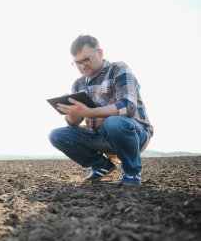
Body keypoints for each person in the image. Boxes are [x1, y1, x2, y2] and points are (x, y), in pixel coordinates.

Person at [49, 35, 153, 185]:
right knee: (57, 135)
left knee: (114, 123)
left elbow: (128, 106)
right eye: (77, 62)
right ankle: (101, 165)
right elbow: (74, 124)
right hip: (99, 136)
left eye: (87, 59)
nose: (83, 65)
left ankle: (132, 172)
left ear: (100, 53)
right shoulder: (78, 84)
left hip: (132, 132)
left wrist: (90, 113)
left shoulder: (118, 69)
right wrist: (71, 113)